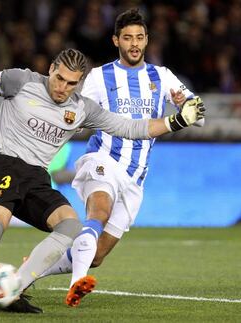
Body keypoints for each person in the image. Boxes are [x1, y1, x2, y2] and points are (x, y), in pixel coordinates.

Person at [0, 48, 204, 313]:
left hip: (36, 176)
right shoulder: (19, 81)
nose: (62, 88)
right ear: (50, 70)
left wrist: (174, 121)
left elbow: (128, 127)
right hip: (4, 162)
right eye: (59, 78)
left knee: (71, 226)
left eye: (72, 83)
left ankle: (14, 288)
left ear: (79, 83)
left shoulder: (82, 108)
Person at [40, 9, 206, 308]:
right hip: (103, 159)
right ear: (116, 40)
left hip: (135, 178)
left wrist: (187, 103)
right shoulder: (100, 77)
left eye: (139, 38)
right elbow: (74, 113)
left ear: (146, 41)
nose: (134, 44)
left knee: (98, 255)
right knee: (99, 212)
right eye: (128, 37)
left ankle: (26, 273)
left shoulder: (162, 76)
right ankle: (75, 284)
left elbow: (200, 117)